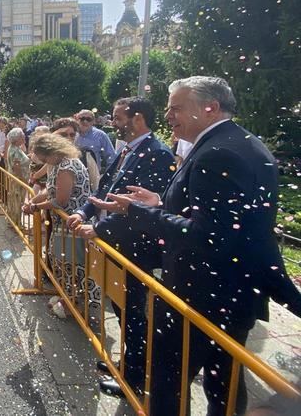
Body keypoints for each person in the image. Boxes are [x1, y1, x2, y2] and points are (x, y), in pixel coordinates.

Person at [78, 76, 301, 415]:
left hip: (201, 296)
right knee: (223, 388)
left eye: (176, 108)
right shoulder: (239, 142)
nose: (168, 116)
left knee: (170, 386)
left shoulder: (219, 153)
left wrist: (136, 210)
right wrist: (160, 202)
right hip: (230, 296)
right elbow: (222, 219)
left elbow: (207, 235)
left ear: (209, 108)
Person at [66, 97, 175, 398]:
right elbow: (104, 190)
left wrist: (98, 228)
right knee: (122, 308)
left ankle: (135, 376)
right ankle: (128, 363)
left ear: (137, 119)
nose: (112, 122)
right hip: (115, 246)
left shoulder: (158, 154)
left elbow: (137, 211)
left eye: (117, 117)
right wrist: (82, 212)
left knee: (133, 313)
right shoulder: (127, 149)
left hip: (135, 249)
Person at [24, 133, 98, 312]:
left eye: (44, 157)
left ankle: (77, 304)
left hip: (72, 226)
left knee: (75, 266)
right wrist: (33, 202)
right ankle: (69, 299)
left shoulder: (67, 166)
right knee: (65, 264)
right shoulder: (59, 164)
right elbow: (49, 190)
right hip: (65, 226)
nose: (43, 161)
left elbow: (60, 200)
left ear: (51, 152)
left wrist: (35, 207)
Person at [52, 117, 100, 192]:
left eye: (72, 135)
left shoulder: (85, 155)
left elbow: (96, 185)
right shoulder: (52, 157)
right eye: (63, 135)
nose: (68, 138)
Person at [5, 127, 30, 225]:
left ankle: (13, 222)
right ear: (17, 138)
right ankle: (17, 223)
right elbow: (17, 168)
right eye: (22, 135)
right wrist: (24, 180)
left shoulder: (14, 148)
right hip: (18, 180)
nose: (24, 136)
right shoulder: (15, 150)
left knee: (14, 200)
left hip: (15, 179)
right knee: (17, 201)